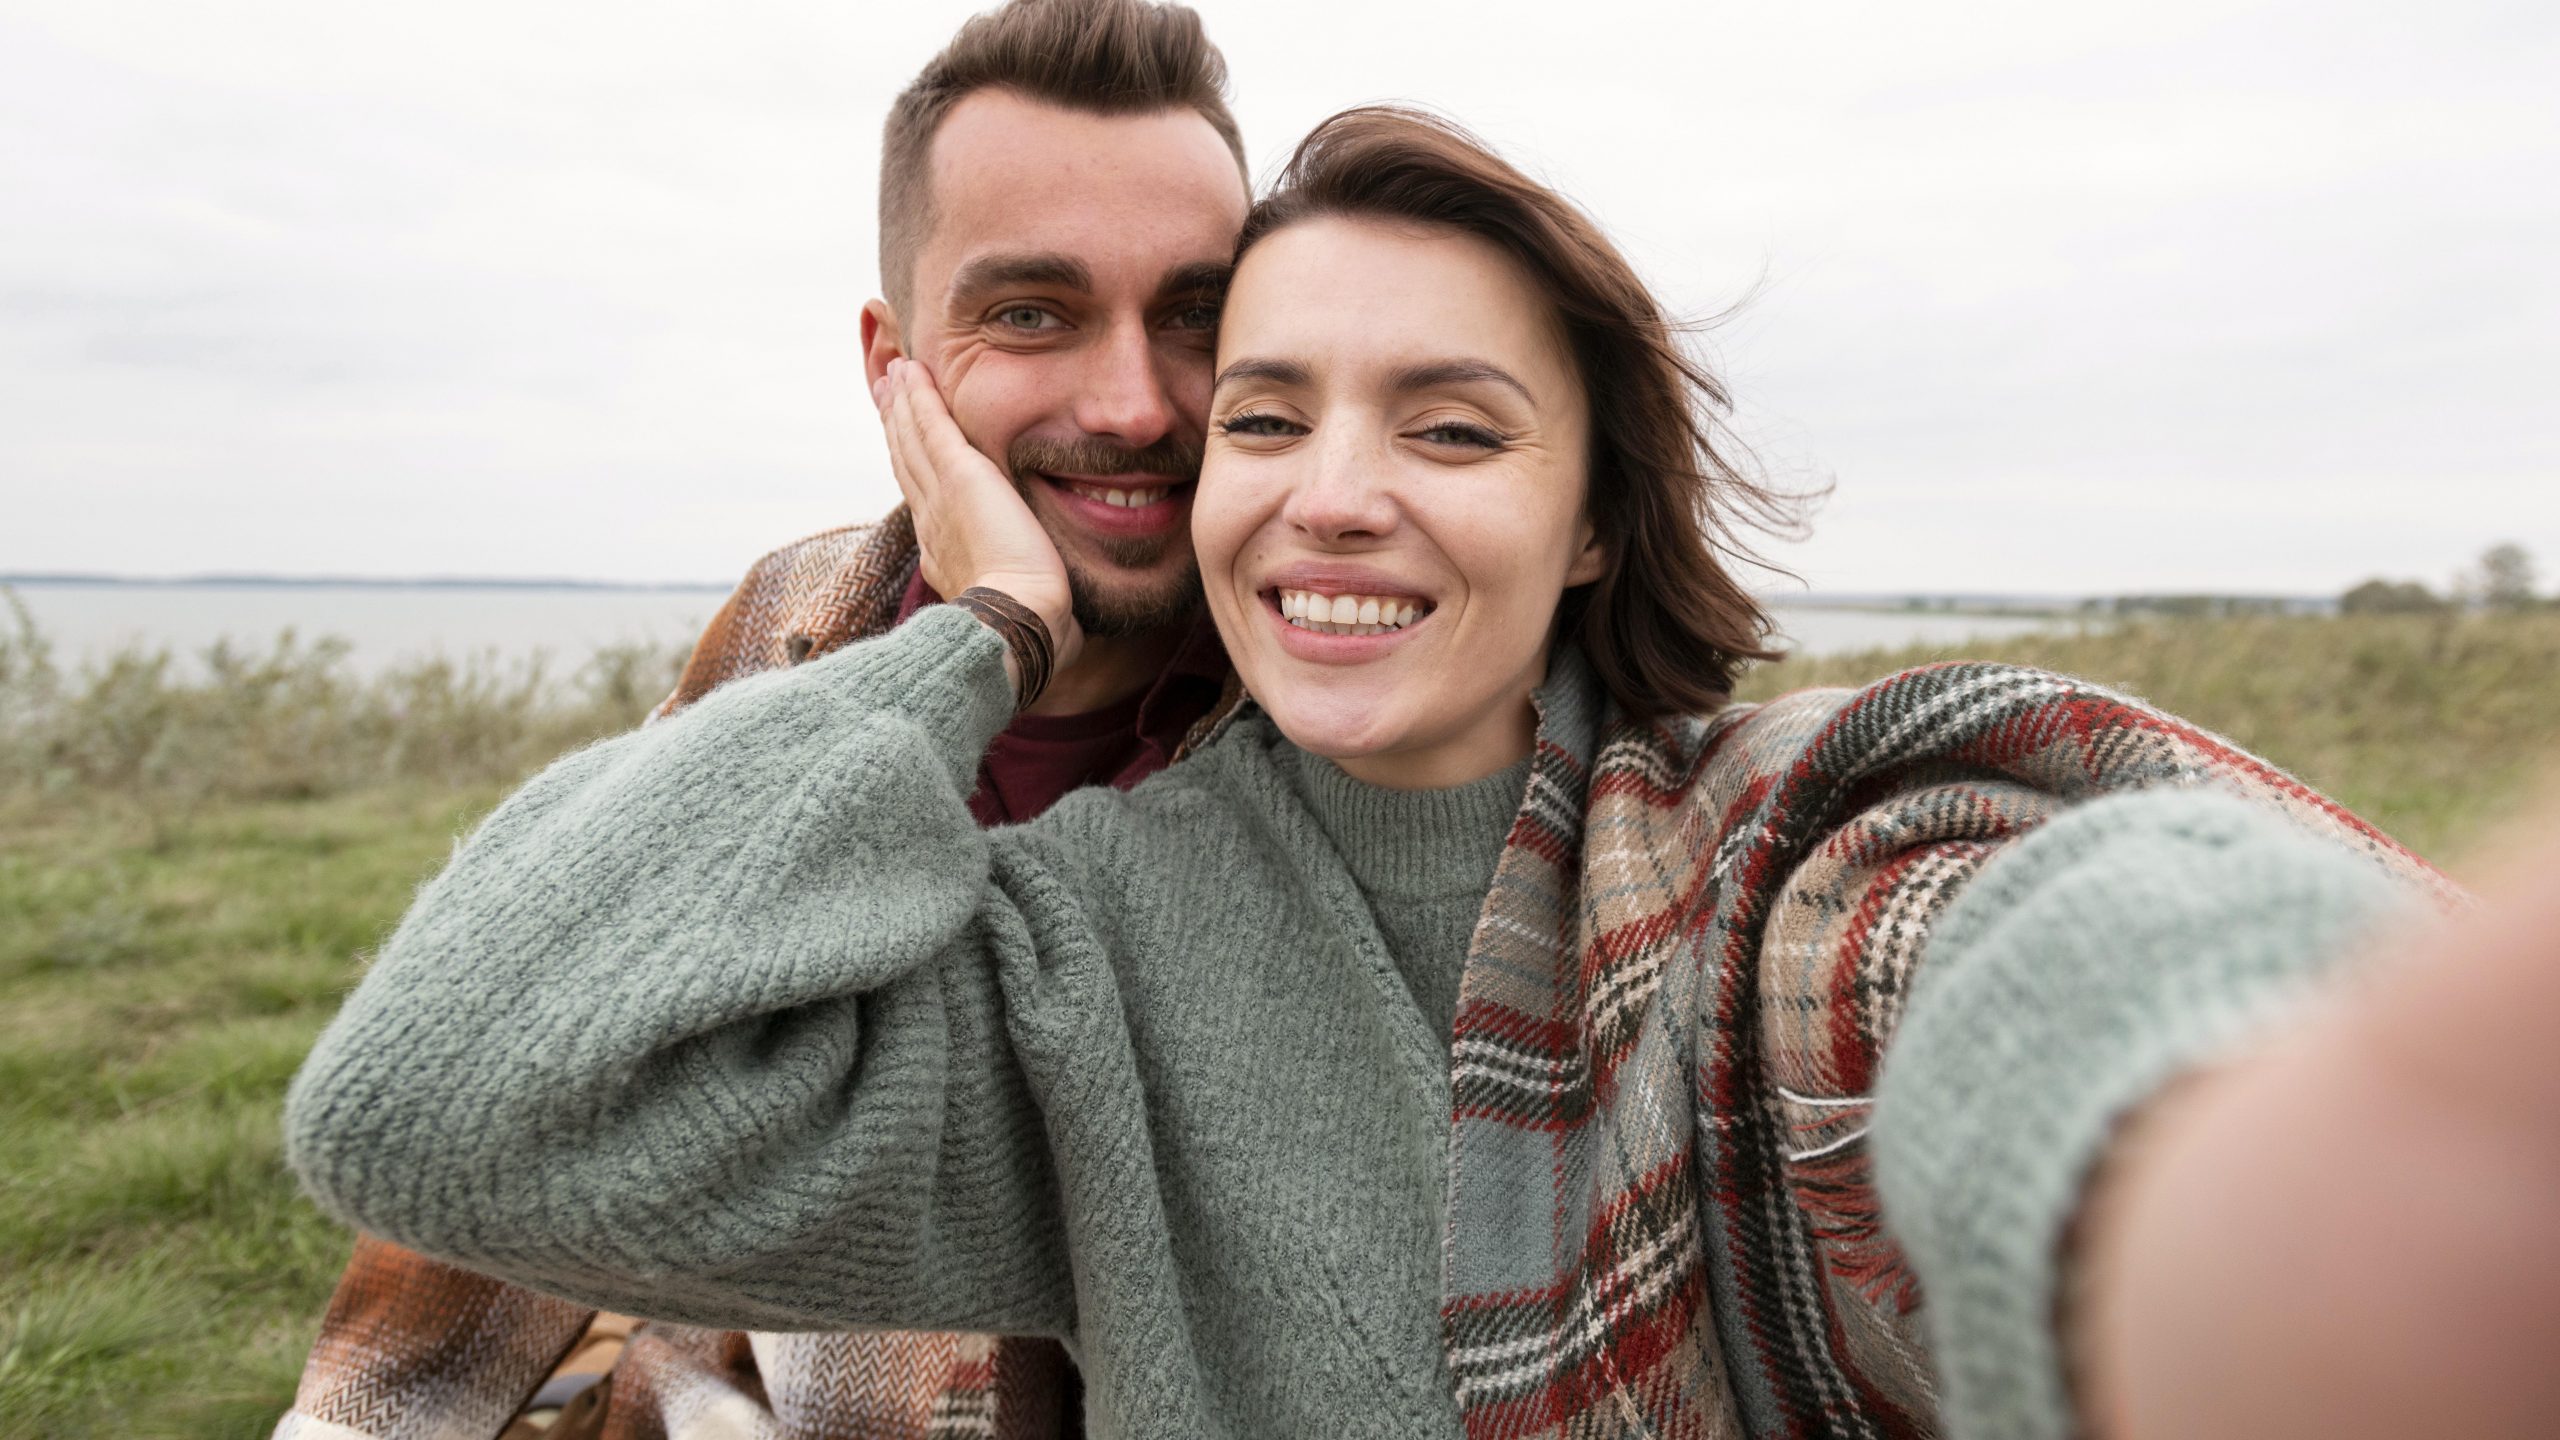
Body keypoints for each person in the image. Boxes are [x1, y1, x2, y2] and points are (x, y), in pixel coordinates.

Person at [284, 108, 2560, 1440]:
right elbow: (437, 1109)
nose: (1329, 493)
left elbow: (1986, 969)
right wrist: (968, 638)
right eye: (1263, 418)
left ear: (1586, 525)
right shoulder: (1080, 940)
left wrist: (2183, 1164)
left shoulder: (1775, 860)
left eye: (1448, 426)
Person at [274, 1, 1247, 1436]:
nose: (1131, 402)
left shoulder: (1327, 697)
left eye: (1196, 315)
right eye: (1030, 312)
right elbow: (539, 1057)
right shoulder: (802, 614)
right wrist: (999, 631)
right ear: (889, 362)